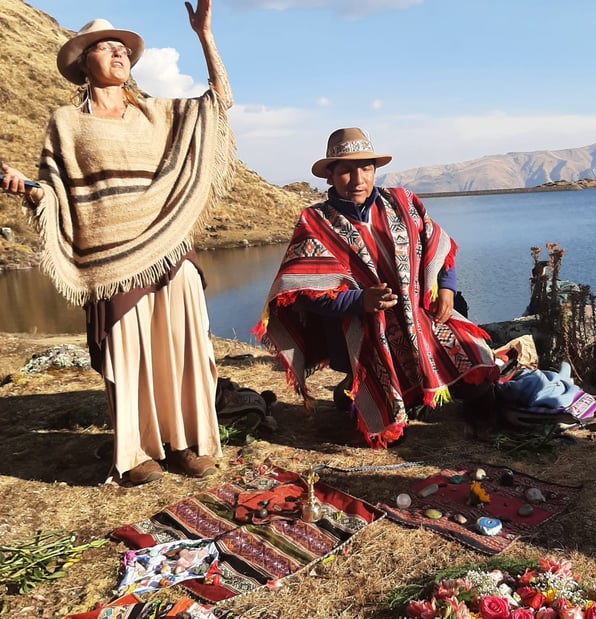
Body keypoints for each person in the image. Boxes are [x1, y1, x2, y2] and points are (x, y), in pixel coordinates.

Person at [0, 0, 235, 485]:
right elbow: (57, 189)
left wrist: (205, 37)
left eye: (122, 47)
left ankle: (188, 443)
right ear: (83, 64)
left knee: (184, 346)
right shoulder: (66, 123)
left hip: (169, 250)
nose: (117, 53)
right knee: (130, 355)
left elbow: (218, 102)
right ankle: (137, 451)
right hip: (110, 261)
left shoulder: (154, 112)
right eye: (104, 48)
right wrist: (29, 188)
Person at [254, 128, 499, 447]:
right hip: (362, 333)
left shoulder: (403, 203)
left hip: (421, 320)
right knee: (383, 422)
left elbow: (440, 247)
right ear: (330, 175)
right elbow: (301, 291)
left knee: (475, 356)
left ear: (375, 170)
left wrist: (447, 290)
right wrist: (359, 301)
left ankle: (477, 411)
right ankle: (352, 394)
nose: (357, 178)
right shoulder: (315, 223)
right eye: (345, 170)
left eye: (365, 168)